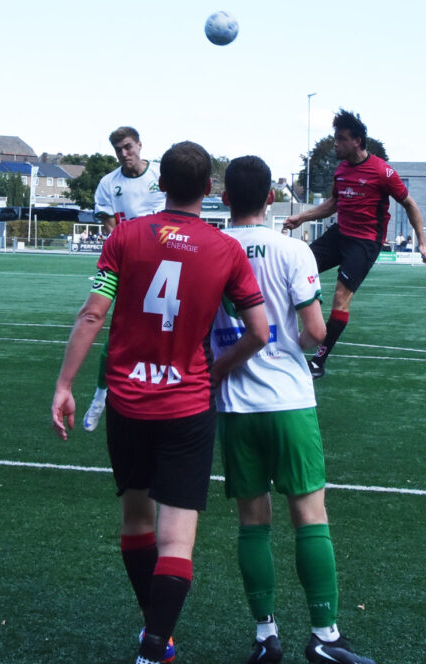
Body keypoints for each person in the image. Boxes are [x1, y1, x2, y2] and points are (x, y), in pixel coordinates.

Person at [50, 141, 269, 664]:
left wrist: (64, 385)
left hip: (128, 403)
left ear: (161, 185)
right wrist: (215, 369)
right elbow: (260, 332)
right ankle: (154, 643)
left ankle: (157, 633)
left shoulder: (125, 236)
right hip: (187, 406)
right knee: (176, 541)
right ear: (209, 189)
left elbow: (92, 315)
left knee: (136, 523)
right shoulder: (226, 250)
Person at [214, 156, 375, 664]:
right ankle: (324, 636)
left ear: (225, 199)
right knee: (309, 516)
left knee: (252, 522)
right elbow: (316, 332)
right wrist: (293, 346)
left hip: (234, 403)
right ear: (270, 199)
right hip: (289, 400)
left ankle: (266, 635)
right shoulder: (293, 250)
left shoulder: (212, 249)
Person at [283, 109, 426, 378]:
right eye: (335, 138)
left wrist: (422, 242)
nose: (336, 144)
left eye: (341, 139)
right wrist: (302, 217)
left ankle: (318, 362)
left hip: (365, 242)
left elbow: (410, 204)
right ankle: (286, 336)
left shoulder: (382, 171)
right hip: (340, 234)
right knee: (298, 267)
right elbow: (334, 204)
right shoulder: (341, 170)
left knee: (341, 297)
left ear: (357, 141)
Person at [83, 127, 168, 432]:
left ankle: (161, 396)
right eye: (118, 149)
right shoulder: (108, 183)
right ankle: (100, 396)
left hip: (163, 263)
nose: (124, 153)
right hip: (127, 261)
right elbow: (110, 226)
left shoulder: (161, 177)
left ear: (140, 145)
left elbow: (172, 218)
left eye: (128, 147)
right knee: (119, 330)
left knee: (164, 329)